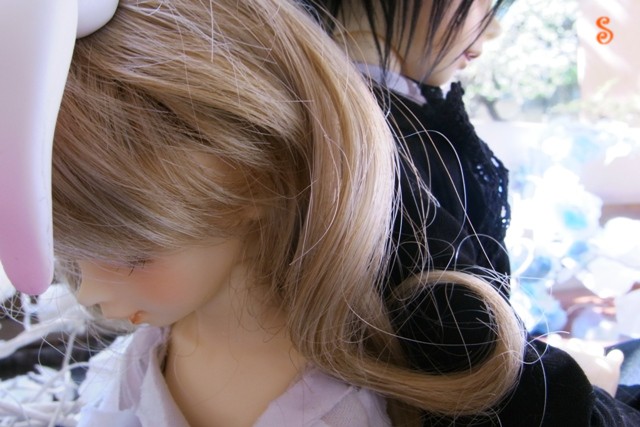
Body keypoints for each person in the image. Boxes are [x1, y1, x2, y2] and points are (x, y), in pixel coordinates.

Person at [50, 0, 525, 426]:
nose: (87, 291)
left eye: (131, 255)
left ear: (252, 180)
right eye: (72, 254)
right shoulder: (152, 351)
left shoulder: (332, 412)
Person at [303, 0, 640, 425]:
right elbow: (465, 363)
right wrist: (580, 386)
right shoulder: (369, 143)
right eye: (481, 2)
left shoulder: (382, 118)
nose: (494, 29)